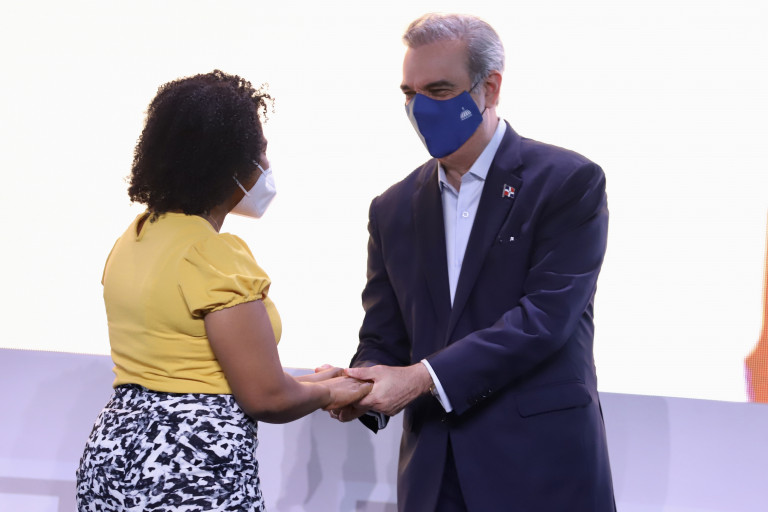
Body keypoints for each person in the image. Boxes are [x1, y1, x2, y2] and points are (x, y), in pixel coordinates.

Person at [331, 13, 616, 511]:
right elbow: (384, 335)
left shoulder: (567, 182)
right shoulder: (392, 208)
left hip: (541, 470)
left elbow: (544, 319)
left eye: (439, 91)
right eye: (410, 93)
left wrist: (421, 378)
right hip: (433, 476)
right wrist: (358, 384)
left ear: (491, 87)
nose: (421, 108)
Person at [76, 70, 371, 512]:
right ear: (228, 162)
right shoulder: (213, 255)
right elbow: (266, 397)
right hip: (188, 469)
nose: (265, 165)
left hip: (114, 459)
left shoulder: (134, 238)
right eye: (260, 152)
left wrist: (318, 381)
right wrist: (330, 393)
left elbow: (200, 370)